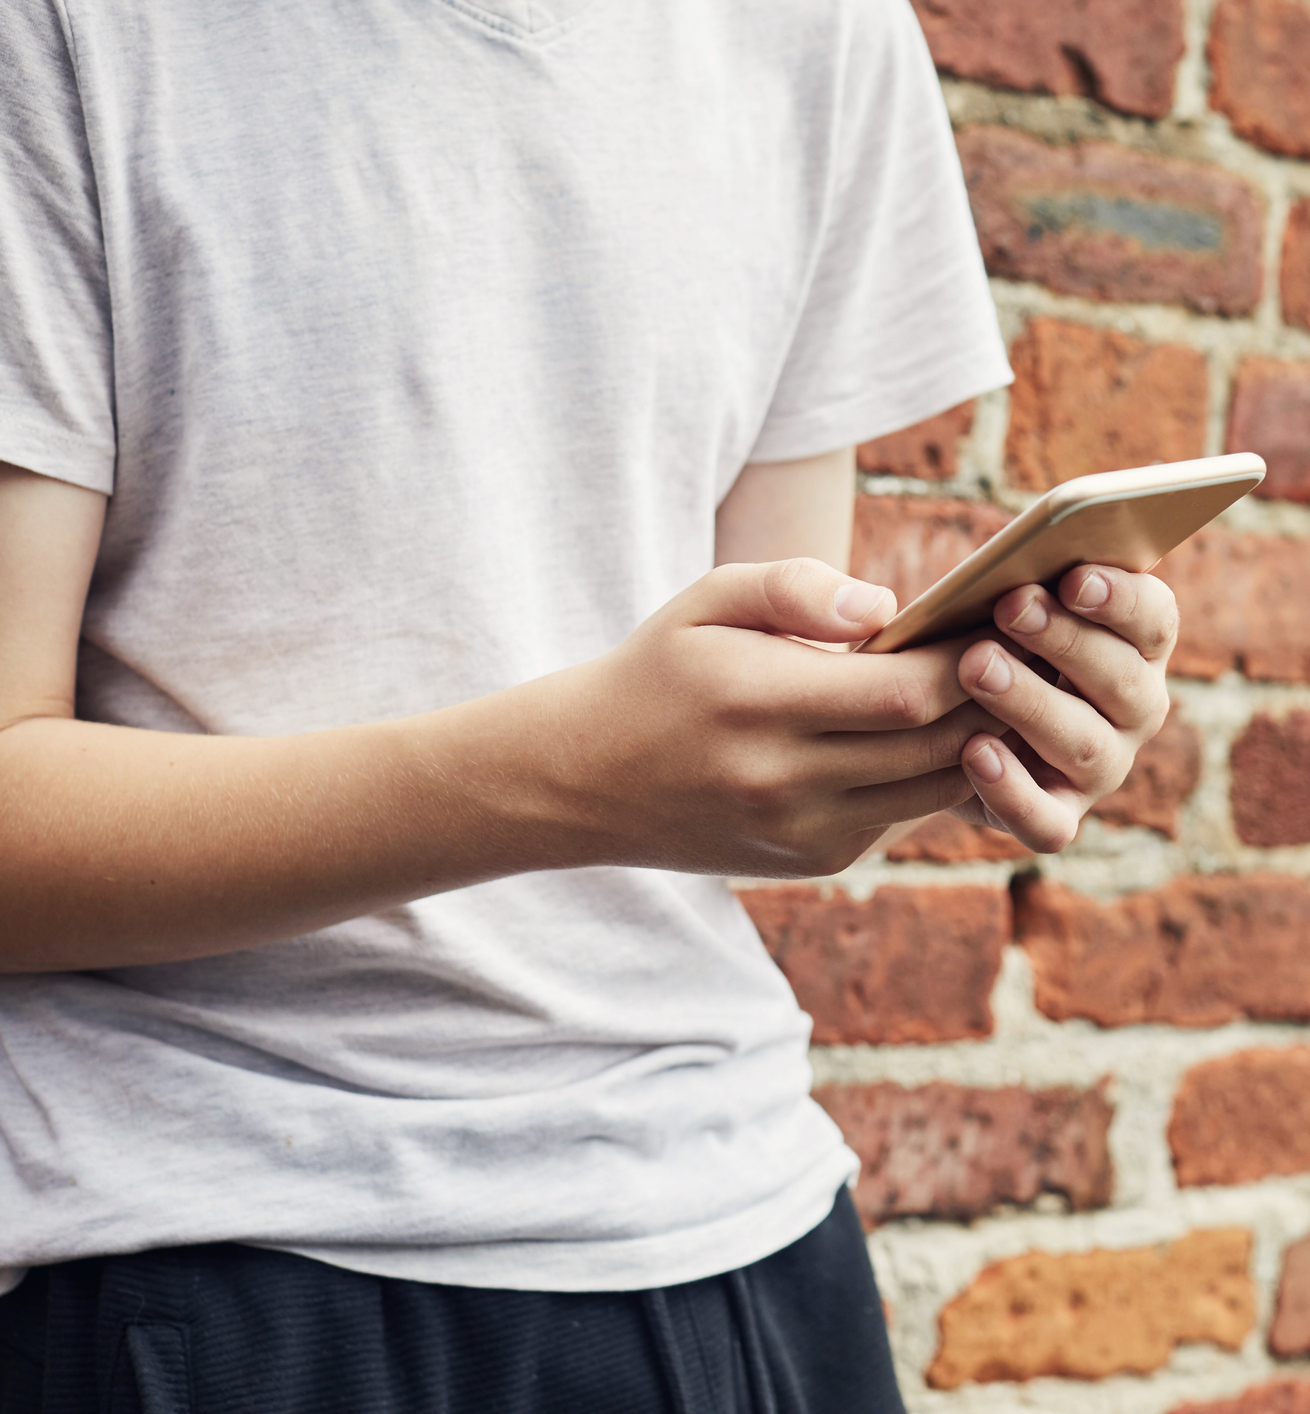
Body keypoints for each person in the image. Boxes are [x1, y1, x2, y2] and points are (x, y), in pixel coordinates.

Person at [0, 0, 1178, 1408]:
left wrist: (950, 715)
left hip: (744, 1235)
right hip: (218, 1246)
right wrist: (564, 773)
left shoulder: (823, 39)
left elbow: (754, 704)